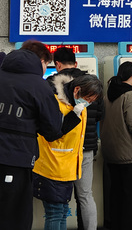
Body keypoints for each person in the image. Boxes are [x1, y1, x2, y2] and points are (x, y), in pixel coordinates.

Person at [0, 39, 65, 230]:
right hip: (15, 160)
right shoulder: (39, 86)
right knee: (14, 221)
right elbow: (53, 130)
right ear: (41, 61)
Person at [33, 74, 103, 230]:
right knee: (55, 213)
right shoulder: (55, 103)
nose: (88, 103)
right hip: (52, 166)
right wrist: (73, 116)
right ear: (77, 89)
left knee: (63, 212)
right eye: (88, 99)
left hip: (68, 169)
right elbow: (53, 134)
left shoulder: (79, 107)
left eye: (91, 101)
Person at [47, 47, 105, 230]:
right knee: (85, 195)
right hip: (86, 148)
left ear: (57, 64)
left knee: (59, 199)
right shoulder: (93, 85)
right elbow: (100, 114)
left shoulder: (50, 83)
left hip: (60, 150)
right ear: (76, 62)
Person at [101, 61, 132, 230]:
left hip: (112, 155)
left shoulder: (108, 96)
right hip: (130, 157)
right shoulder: (130, 97)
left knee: (116, 197)